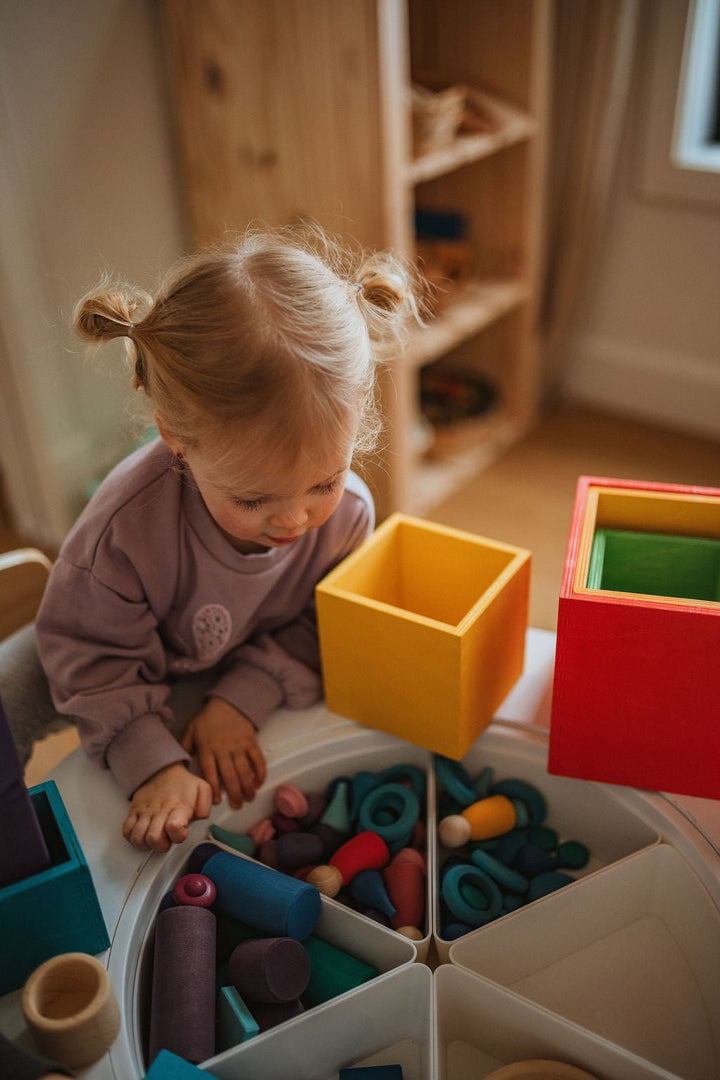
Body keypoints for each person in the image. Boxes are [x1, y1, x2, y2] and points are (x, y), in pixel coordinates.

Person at [34, 226, 419, 853]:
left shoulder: (346, 515)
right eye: (253, 499)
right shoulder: (121, 536)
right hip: (128, 689)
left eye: (324, 480)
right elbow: (90, 657)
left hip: (235, 681)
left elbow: (324, 625)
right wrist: (151, 763)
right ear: (175, 436)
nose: (296, 520)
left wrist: (244, 697)